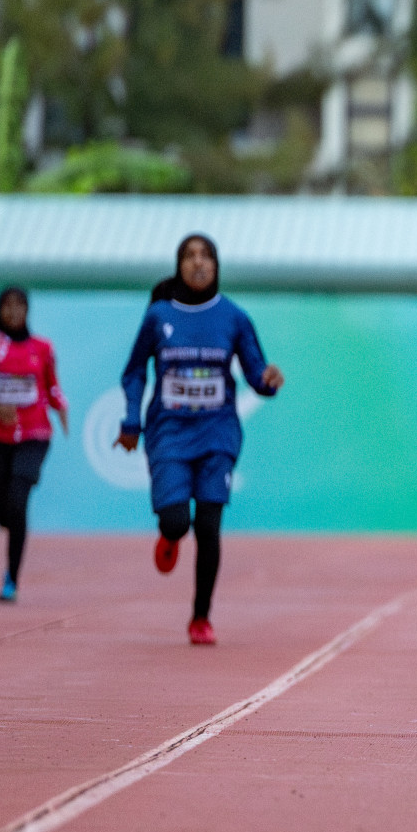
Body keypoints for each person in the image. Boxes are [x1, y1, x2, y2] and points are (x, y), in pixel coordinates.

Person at [115, 234, 283, 645]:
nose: (198, 263)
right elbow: (134, 371)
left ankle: (200, 617)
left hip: (217, 434)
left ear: (217, 266)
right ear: (179, 266)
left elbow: (257, 373)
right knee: (178, 521)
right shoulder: (158, 316)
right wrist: (131, 421)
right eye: (189, 256)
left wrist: (268, 382)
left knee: (208, 526)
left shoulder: (234, 317)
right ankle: (170, 536)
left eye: (206, 255)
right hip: (170, 432)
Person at [0, 287, 70, 602]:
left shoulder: (43, 348)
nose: (13, 312)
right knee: (6, 511)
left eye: (19, 306)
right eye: (7, 306)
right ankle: (9, 521)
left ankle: (12, 578)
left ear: (27, 310)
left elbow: (52, 388)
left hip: (34, 436)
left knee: (19, 499)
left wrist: (62, 408)